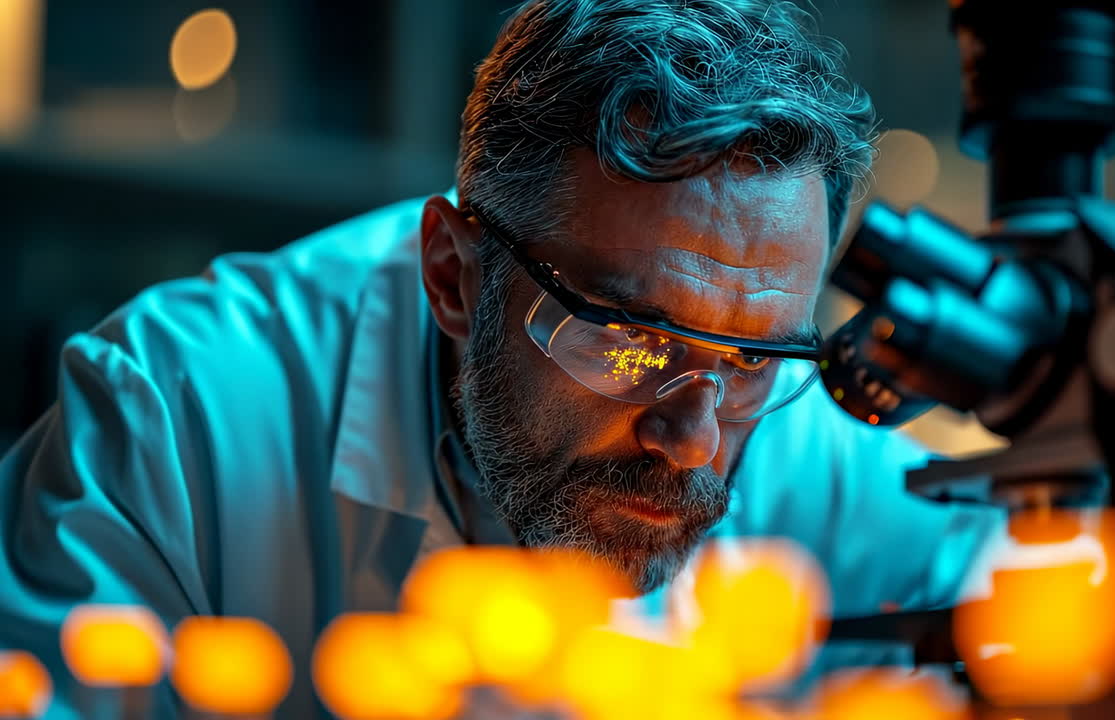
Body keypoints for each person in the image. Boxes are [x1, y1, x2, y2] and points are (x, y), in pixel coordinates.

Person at [0, 1, 1000, 717]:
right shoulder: (175, 419)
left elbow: (1025, 600)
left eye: (748, 358)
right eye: (630, 339)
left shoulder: (803, 441)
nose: (694, 440)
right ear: (453, 275)